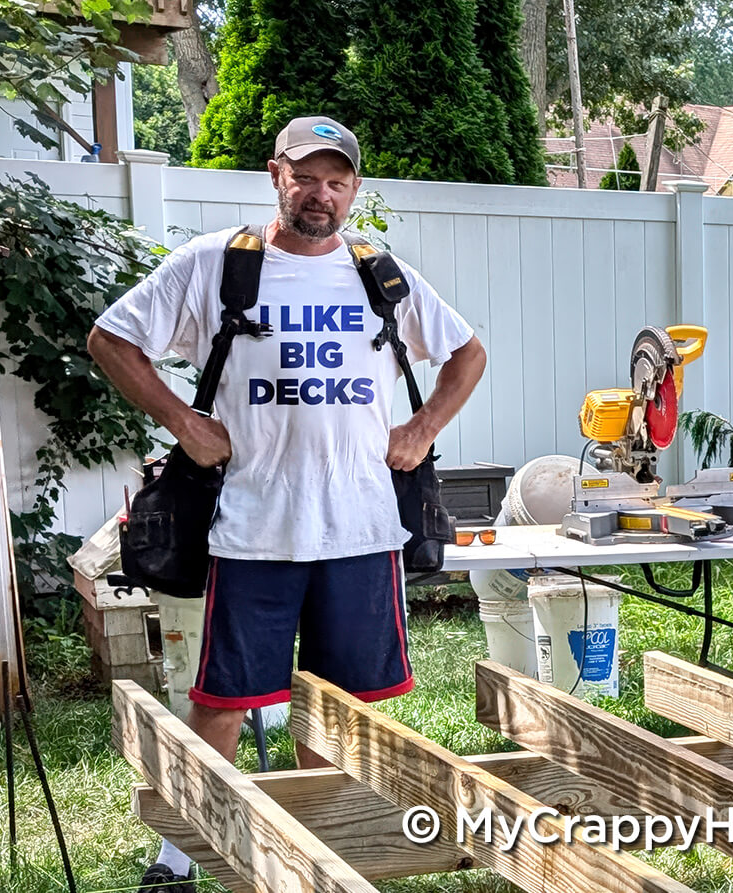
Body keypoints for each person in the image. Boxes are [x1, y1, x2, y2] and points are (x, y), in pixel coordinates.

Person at [86, 115, 486, 892]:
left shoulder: (380, 273)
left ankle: (318, 846)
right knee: (223, 701)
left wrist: (423, 426)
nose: (320, 194)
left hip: (362, 528)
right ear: (276, 174)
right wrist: (184, 421)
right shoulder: (217, 265)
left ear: (354, 191)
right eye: (306, 176)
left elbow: (467, 350)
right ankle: (177, 857)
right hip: (254, 528)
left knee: (340, 709)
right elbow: (111, 338)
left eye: (337, 181)